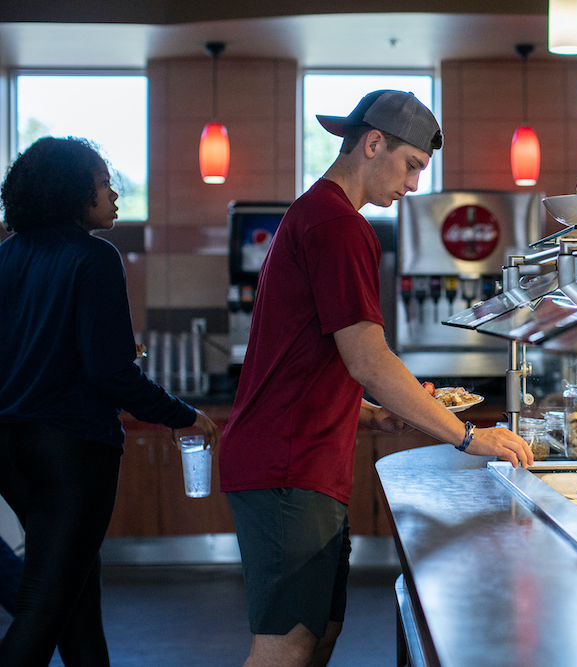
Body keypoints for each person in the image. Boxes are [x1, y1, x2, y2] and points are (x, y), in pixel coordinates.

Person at [219, 90, 533, 667]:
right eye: (411, 165)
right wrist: (467, 437)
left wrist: (371, 413)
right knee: (286, 645)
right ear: (372, 144)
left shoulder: (313, 215)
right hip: (289, 465)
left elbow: (307, 359)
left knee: (321, 632)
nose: (414, 185)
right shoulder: (339, 226)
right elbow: (367, 358)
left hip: (296, 458)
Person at [0, 136, 220, 666]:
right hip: (71, 451)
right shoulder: (94, 257)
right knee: (42, 608)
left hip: (10, 448)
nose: (114, 192)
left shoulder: (7, 256)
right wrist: (184, 415)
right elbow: (110, 374)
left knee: (75, 596)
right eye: (103, 182)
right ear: (73, 191)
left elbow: (42, 350)